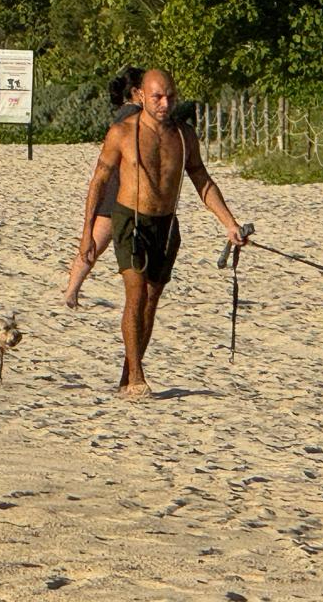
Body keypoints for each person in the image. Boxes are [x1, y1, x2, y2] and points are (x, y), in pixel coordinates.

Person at [79, 68, 246, 400]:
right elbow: (98, 181)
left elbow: (203, 181)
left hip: (166, 224)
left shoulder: (183, 136)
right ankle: (138, 376)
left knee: (152, 300)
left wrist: (230, 223)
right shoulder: (122, 133)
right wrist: (86, 234)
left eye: (170, 96)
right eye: (157, 97)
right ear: (141, 95)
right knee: (136, 294)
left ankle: (129, 373)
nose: (165, 103)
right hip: (131, 220)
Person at [63, 67, 145, 309]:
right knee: (95, 243)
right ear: (136, 91)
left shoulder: (123, 114)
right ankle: (71, 291)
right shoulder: (133, 116)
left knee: (95, 244)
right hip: (119, 190)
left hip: (115, 188)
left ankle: (71, 290)